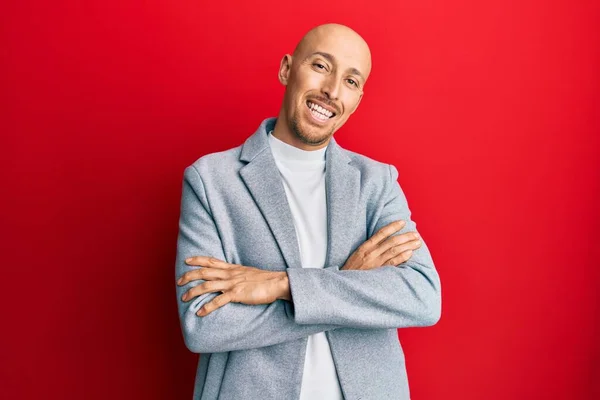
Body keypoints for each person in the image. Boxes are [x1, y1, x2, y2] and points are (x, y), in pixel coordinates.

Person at [174, 23, 441, 400]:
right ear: (287, 69)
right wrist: (346, 282)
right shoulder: (211, 181)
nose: (332, 91)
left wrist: (281, 285)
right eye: (320, 66)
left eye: (351, 81)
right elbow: (205, 325)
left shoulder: (376, 182)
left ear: (358, 99)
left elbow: (422, 297)